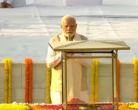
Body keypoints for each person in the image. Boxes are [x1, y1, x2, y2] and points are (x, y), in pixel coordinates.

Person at [46, 15, 90, 104]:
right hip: (59, 88)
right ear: (61, 27)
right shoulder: (54, 41)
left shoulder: (84, 40)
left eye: (72, 26)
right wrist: (62, 55)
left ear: (76, 26)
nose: (69, 28)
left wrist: (75, 55)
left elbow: (90, 63)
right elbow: (49, 63)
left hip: (80, 88)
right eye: (66, 26)